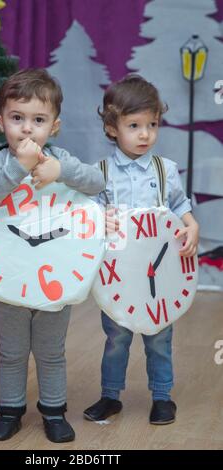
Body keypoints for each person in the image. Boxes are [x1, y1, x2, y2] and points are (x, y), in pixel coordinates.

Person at [0, 68, 105, 443]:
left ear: (55, 126)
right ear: (1, 122)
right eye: (17, 118)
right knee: (11, 351)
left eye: (38, 120)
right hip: (7, 275)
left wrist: (60, 170)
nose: (27, 129)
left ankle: (54, 411)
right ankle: (10, 410)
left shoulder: (60, 159)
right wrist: (19, 168)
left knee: (50, 350)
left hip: (54, 275)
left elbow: (97, 183)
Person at [83, 74, 199, 425]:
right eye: (134, 125)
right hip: (118, 276)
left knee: (159, 339)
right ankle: (110, 395)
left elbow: (180, 206)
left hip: (159, 274)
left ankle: (162, 396)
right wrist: (99, 220)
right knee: (116, 337)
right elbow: (88, 216)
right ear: (112, 127)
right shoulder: (99, 173)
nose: (145, 134)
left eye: (152, 124)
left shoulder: (166, 171)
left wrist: (191, 224)